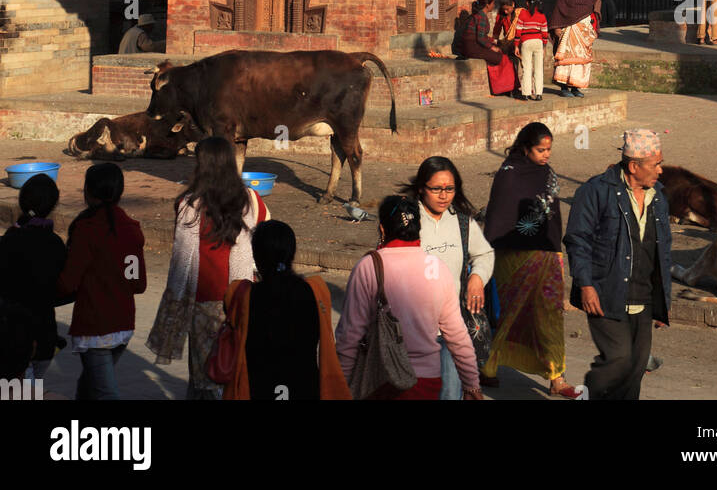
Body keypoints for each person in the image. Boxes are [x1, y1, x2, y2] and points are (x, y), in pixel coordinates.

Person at [146, 135, 268, 399]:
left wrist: (173, 302)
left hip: (202, 301)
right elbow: (265, 237)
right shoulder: (251, 199)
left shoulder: (189, 205)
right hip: (240, 298)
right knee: (230, 370)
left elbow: (181, 259)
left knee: (205, 373)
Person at [335, 195, 482, 401]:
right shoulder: (437, 268)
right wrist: (472, 385)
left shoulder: (369, 267)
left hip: (380, 380)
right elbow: (457, 334)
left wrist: (340, 385)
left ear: (382, 230)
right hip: (427, 381)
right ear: (419, 228)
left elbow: (349, 336)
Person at [564, 128, 671, 402]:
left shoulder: (658, 196)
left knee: (635, 369)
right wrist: (585, 284)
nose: (660, 171)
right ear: (634, 166)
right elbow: (578, 239)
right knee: (619, 361)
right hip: (606, 294)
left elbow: (663, 250)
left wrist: (662, 299)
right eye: (656, 164)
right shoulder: (596, 191)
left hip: (644, 298)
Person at [481, 122, 577, 397]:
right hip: (513, 256)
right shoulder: (509, 174)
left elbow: (552, 215)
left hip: (546, 254)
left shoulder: (547, 173)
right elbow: (500, 217)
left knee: (550, 314)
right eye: (540, 149)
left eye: (549, 149)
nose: (546, 154)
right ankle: (489, 365)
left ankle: (557, 376)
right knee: (514, 314)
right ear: (525, 147)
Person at [220, 220, 351, 401]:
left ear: (257, 257)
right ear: (292, 254)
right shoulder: (316, 292)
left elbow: (229, 306)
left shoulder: (242, 296)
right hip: (305, 388)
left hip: (257, 388)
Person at [402, 156, 494, 400]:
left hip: (451, 331)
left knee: (450, 393)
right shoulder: (405, 221)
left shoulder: (463, 222)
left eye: (449, 189)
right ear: (421, 188)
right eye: (436, 189)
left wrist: (477, 277)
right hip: (410, 332)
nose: (444, 195)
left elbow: (485, 254)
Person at [56, 162, 147, 401]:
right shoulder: (131, 229)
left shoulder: (86, 229)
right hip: (123, 323)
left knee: (104, 391)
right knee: (91, 384)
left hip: (95, 325)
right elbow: (137, 282)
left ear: (88, 191)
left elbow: (68, 282)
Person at [0, 173, 66, 381]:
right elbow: (66, 288)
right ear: (53, 205)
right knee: (29, 390)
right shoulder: (55, 245)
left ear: (21, 202)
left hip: (12, 341)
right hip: (44, 337)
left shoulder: (8, 242)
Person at [550, 0, 601, 99]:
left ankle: (575, 87)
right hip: (569, 29)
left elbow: (596, 9)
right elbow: (559, 7)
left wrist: (593, 27)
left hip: (584, 32)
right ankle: (564, 87)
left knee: (580, 61)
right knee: (567, 59)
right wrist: (557, 27)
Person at [453, 0, 514, 96]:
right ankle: (503, 88)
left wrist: (494, 42)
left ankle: (504, 87)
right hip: (472, 48)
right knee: (500, 57)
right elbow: (481, 38)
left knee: (499, 54)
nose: (494, 6)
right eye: (493, 3)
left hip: (470, 48)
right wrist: (492, 47)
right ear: (487, 5)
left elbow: (482, 36)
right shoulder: (480, 17)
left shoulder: (475, 17)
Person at [514, 0, 549, 102]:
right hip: (538, 42)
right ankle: (538, 94)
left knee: (527, 68)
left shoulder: (523, 14)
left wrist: (516, 46)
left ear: (527, 3)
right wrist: (544, 47)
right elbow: (545, 33)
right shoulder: (542, 15)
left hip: (526, 43)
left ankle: (526, 93)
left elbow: (518, 31)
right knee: (539, 69)